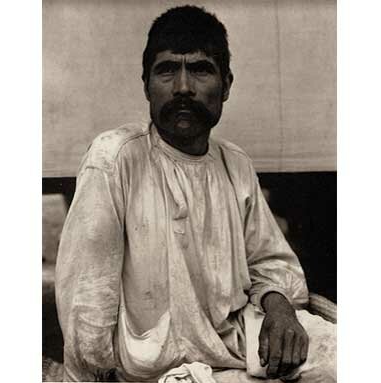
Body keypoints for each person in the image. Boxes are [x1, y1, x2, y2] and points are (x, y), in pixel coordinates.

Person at [55, 5, 336, 383]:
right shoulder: (115, 158)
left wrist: (280, 309)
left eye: (201, 69)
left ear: (227, 84)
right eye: (167, 69)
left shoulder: (234, 163)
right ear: (145, 85)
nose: (183, 87)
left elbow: (272, 264)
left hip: (237, 350)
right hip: (148, 371)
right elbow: (87, 300)